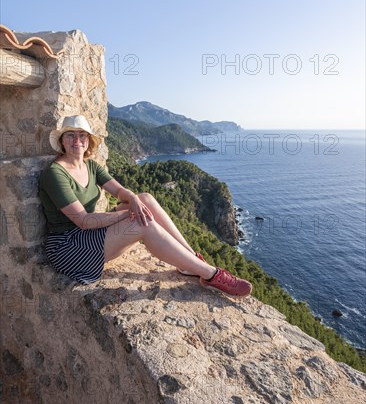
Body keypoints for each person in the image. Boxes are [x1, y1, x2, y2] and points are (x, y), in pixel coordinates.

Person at [39, 115, 252, 298]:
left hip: (91, 233)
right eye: (70, 135)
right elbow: (84, 221)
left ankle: (191, 260)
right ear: (62, 141)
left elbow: (121, 192)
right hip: (69, 247)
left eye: (82, 135)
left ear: (88, 140)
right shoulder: (55, 174)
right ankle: (211, 275)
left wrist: (133, 199)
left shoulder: (91, 166)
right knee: (143, 223)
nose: (77, 140)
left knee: (145, 198)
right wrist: (128, 213)